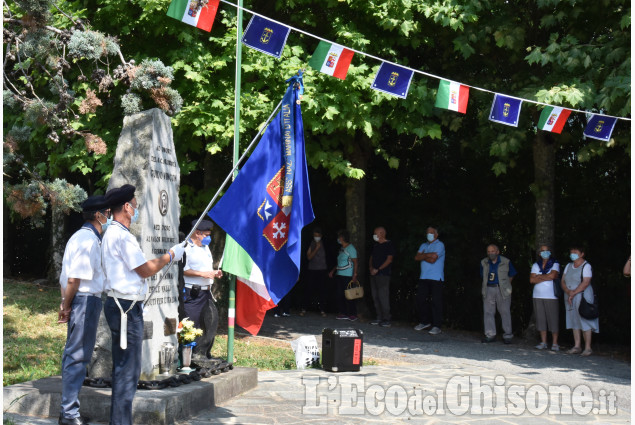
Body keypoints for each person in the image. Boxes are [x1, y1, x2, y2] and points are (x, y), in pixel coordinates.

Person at [102, 184, 185, 425]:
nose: (136, 208)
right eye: (135, 204)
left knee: (123, 369)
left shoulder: (113, 233)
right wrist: (170, 255)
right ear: (126, 208)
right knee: (128, 371)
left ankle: (119, 420)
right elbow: (144, 270)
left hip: (122, 305)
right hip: (125, 309)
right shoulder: (122, 236)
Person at [58, 195, 111, 425]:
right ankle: (69, 414)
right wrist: (66, 305)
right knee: (77, 356)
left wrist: (66, 302)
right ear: (98, 216)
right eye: (107, 214)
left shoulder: (87, 238)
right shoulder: (87, 240)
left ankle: (70, 411)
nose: (108, 218)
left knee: (77, 355)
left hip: (85, 300)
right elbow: (74, 279)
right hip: (84, 301)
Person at [183, 219, 222, 355]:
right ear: (197, 233)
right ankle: (190, 356)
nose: (208, 238)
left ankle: (204, 353)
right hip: (192, 292)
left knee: (209, 323)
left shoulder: (205, 248)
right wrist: (203, 274)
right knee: (192, 325)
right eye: (206, 235)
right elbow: (183, 270)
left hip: (206, 292)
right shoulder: (186, 248)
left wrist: (214, 273)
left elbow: (206, 268)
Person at [561, 246, 598, 356]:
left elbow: (586, 282)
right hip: (569, 296)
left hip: (582, 296)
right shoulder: (568, 266)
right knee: (573, 319)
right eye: (571, 252)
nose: (572, 254)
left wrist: (574, 292)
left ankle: (588, 347)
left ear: (582, 254)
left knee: (584, 319)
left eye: (575, 252)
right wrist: (568, 291)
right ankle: (577, 346)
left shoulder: (586, 266)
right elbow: (562, 280)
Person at [480, 244, 517, 344]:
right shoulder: (484, 262)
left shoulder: (506, 261)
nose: (490, 253)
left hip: (502, 290)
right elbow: (482, 276)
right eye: (488, 251)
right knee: (488, 312)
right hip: (488, 289)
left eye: (492, 251)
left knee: (505, 312)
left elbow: (512, 275)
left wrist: (505, 285)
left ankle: (507, 336)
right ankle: (490, 335)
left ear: (497, 252)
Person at [414, 226, 445, 335]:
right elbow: (416, 257)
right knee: (420, 299)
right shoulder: (424, 245)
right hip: (424, 277)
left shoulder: (440, 245)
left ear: (436, 234)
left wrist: (423, 255)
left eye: (431, 233)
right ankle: (425, 322)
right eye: (427, 233)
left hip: (436, 277)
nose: (429, 235)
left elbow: (433, 260)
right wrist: (428, 255)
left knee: (436, 302)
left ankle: (437, 326)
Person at [529, 244, 561, 351]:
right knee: (541, 319)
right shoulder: (535, 265)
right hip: (537, 295)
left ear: (550, 252)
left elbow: (553, 276)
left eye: (547, 251)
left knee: (553, 319)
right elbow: (531, 280)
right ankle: (543, 342)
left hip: (551, 296)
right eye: (542, 251)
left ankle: (555, 343)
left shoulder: (555, 263)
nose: (544, 253)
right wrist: (545, 277)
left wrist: (538, 276)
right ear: (539, 253)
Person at [329, 229, 358, 321]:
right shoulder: (342, 249)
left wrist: (355, 274)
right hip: (340, 274)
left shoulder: (351, 248)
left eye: (339, 237)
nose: (338, 239)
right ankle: (343, 312)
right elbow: (340, 262)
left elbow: (355, 262)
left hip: (348, 275)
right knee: (339, 294)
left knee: (349, 295)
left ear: (342, 238)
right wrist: (333, 270)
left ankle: (352, 314)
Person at [368, 226, 395, 327]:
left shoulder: (389, 245)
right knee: (375, 296)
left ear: (382, 233)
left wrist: (378, 269)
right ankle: (379, 317)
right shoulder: (375, 246)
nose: (374, 235)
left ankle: (386, 319)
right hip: (373, 274)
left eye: (376, 233)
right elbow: (371, 257)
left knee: (383, 297)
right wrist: (371, 267)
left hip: (383, 275)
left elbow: (389, 259)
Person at [301, 227, 328, 317]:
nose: (316, 237)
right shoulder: (311, 243)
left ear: (321, 236)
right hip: (312, 269)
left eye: (318, 236)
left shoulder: (325, 244)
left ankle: (322, 310)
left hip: (322, 270)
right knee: (308, 289)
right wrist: (316, 248)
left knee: (322, 290)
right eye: (315, 236)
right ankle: (304, 308)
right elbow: (309, 257)